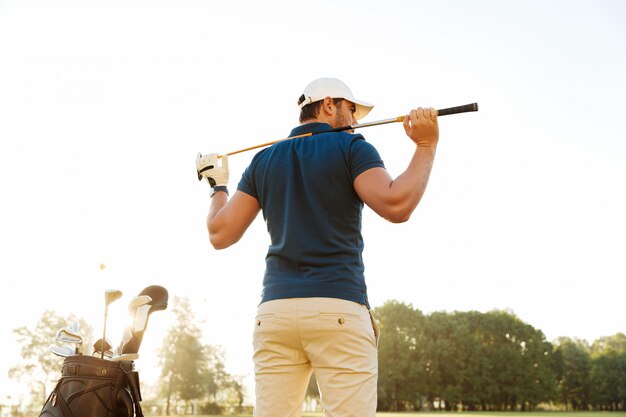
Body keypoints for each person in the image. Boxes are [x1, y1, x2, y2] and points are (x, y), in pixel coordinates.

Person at [196, 78, 439, 417]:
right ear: (329, 104)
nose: (354, 120)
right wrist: (425, 145)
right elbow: (396, 205)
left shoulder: (263, 160)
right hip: (337, 308)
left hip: (275, 315)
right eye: (351, 110)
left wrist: (217, 185)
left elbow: (220, 233)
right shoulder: (353, 147)